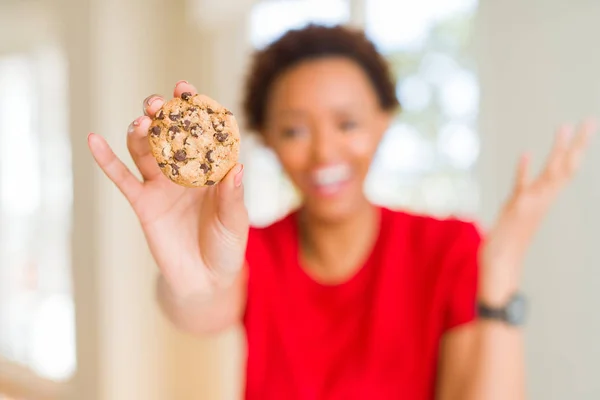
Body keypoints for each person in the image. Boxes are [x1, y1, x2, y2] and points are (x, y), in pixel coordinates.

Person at [87, 24, 595, 399]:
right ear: (264, 140)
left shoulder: (450, 248)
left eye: (347, 123)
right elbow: (199, 308)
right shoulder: (251, 252)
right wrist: (193, 278)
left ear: (383, 122)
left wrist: (501, 267)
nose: (325, 152)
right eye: (294, 130)